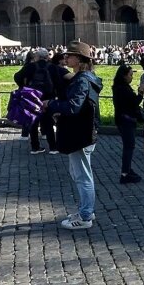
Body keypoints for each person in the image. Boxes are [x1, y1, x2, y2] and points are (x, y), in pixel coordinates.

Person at [52, 42, 102, 230]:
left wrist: (53, 105)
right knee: (79, 173)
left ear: (79, 60)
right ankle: (86, 209)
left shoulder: (81, 80)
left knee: (82, 176)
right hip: (83, 131)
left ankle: (85, 216)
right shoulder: (85, 77)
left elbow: (73, 106)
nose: (66, 58)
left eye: (69, 55)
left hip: (81, 133)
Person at [14, 48, 57, 155]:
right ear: (47, 57)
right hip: (48, 97)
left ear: (36, 57)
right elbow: (58, 81)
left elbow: (17, 76)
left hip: (32, 97)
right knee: (48, 122)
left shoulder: (30, 66)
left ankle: (35, 147)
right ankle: (53, 147)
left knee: (33, 122)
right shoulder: (52, 67)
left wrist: (24, 86)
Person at [112, 64, 143, 185]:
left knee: (129, 146)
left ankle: (128, 169)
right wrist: (141, 93)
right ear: (124, 76)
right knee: (129, 147)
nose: (132, 77)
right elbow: (134, 102)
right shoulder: (123, 89)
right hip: (126, 120)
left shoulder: (119, 87)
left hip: (123, 119)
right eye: (130, 75)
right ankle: (125, 173)